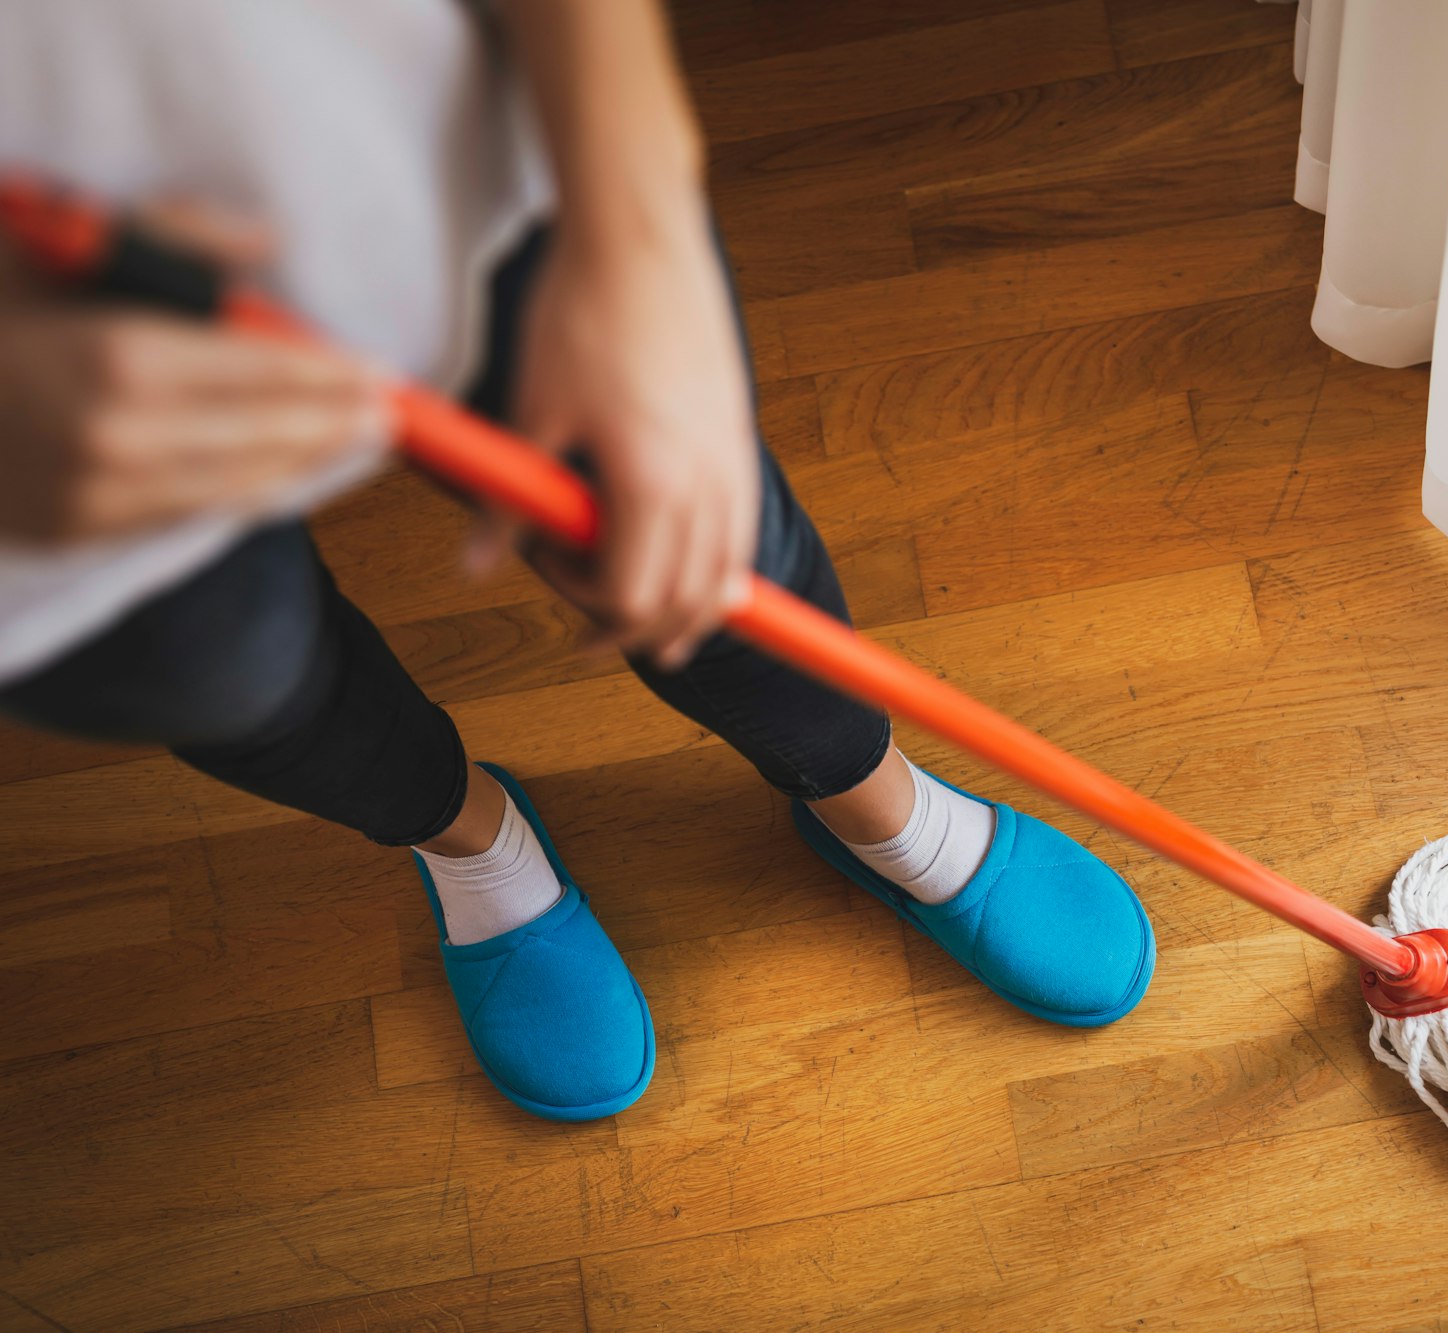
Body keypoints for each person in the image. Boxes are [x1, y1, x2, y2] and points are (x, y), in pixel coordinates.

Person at [0, 0, 1154, 1122]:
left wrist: (636, 232)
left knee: (706, 543)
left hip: (396, 112)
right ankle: (468, 839)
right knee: (212, 674)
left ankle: (869, 803)